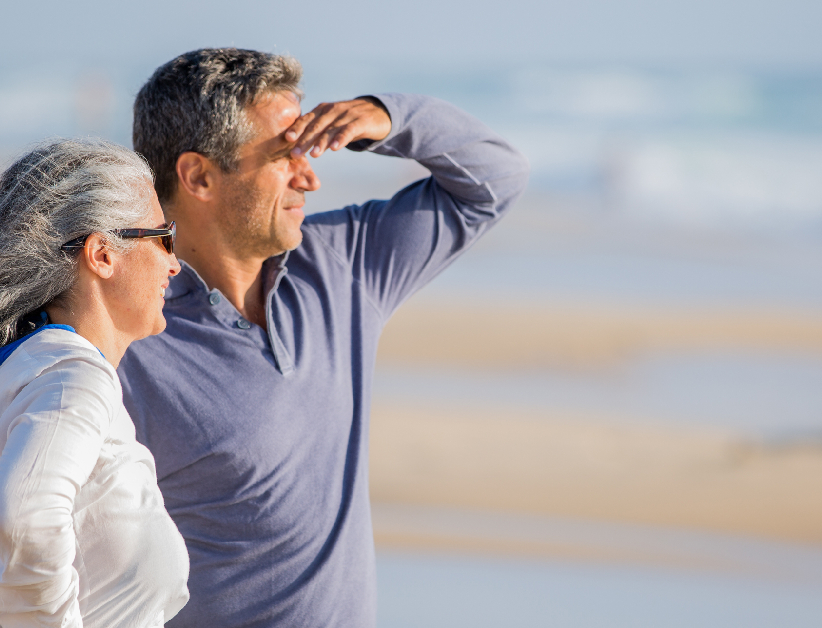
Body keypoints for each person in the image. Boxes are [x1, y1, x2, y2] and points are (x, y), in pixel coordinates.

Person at [120, 49, 529, 626]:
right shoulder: (125, 336)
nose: (309, 177)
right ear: (199, 177)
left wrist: (388, 118)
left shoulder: (342, 265)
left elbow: (495, 179)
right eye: (286, 156)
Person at [0, 139, 190, 628]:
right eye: (164, 236)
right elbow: (24, 516)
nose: (175, 262)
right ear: (102, 254)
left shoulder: (22, 375)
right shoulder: (73, 379)